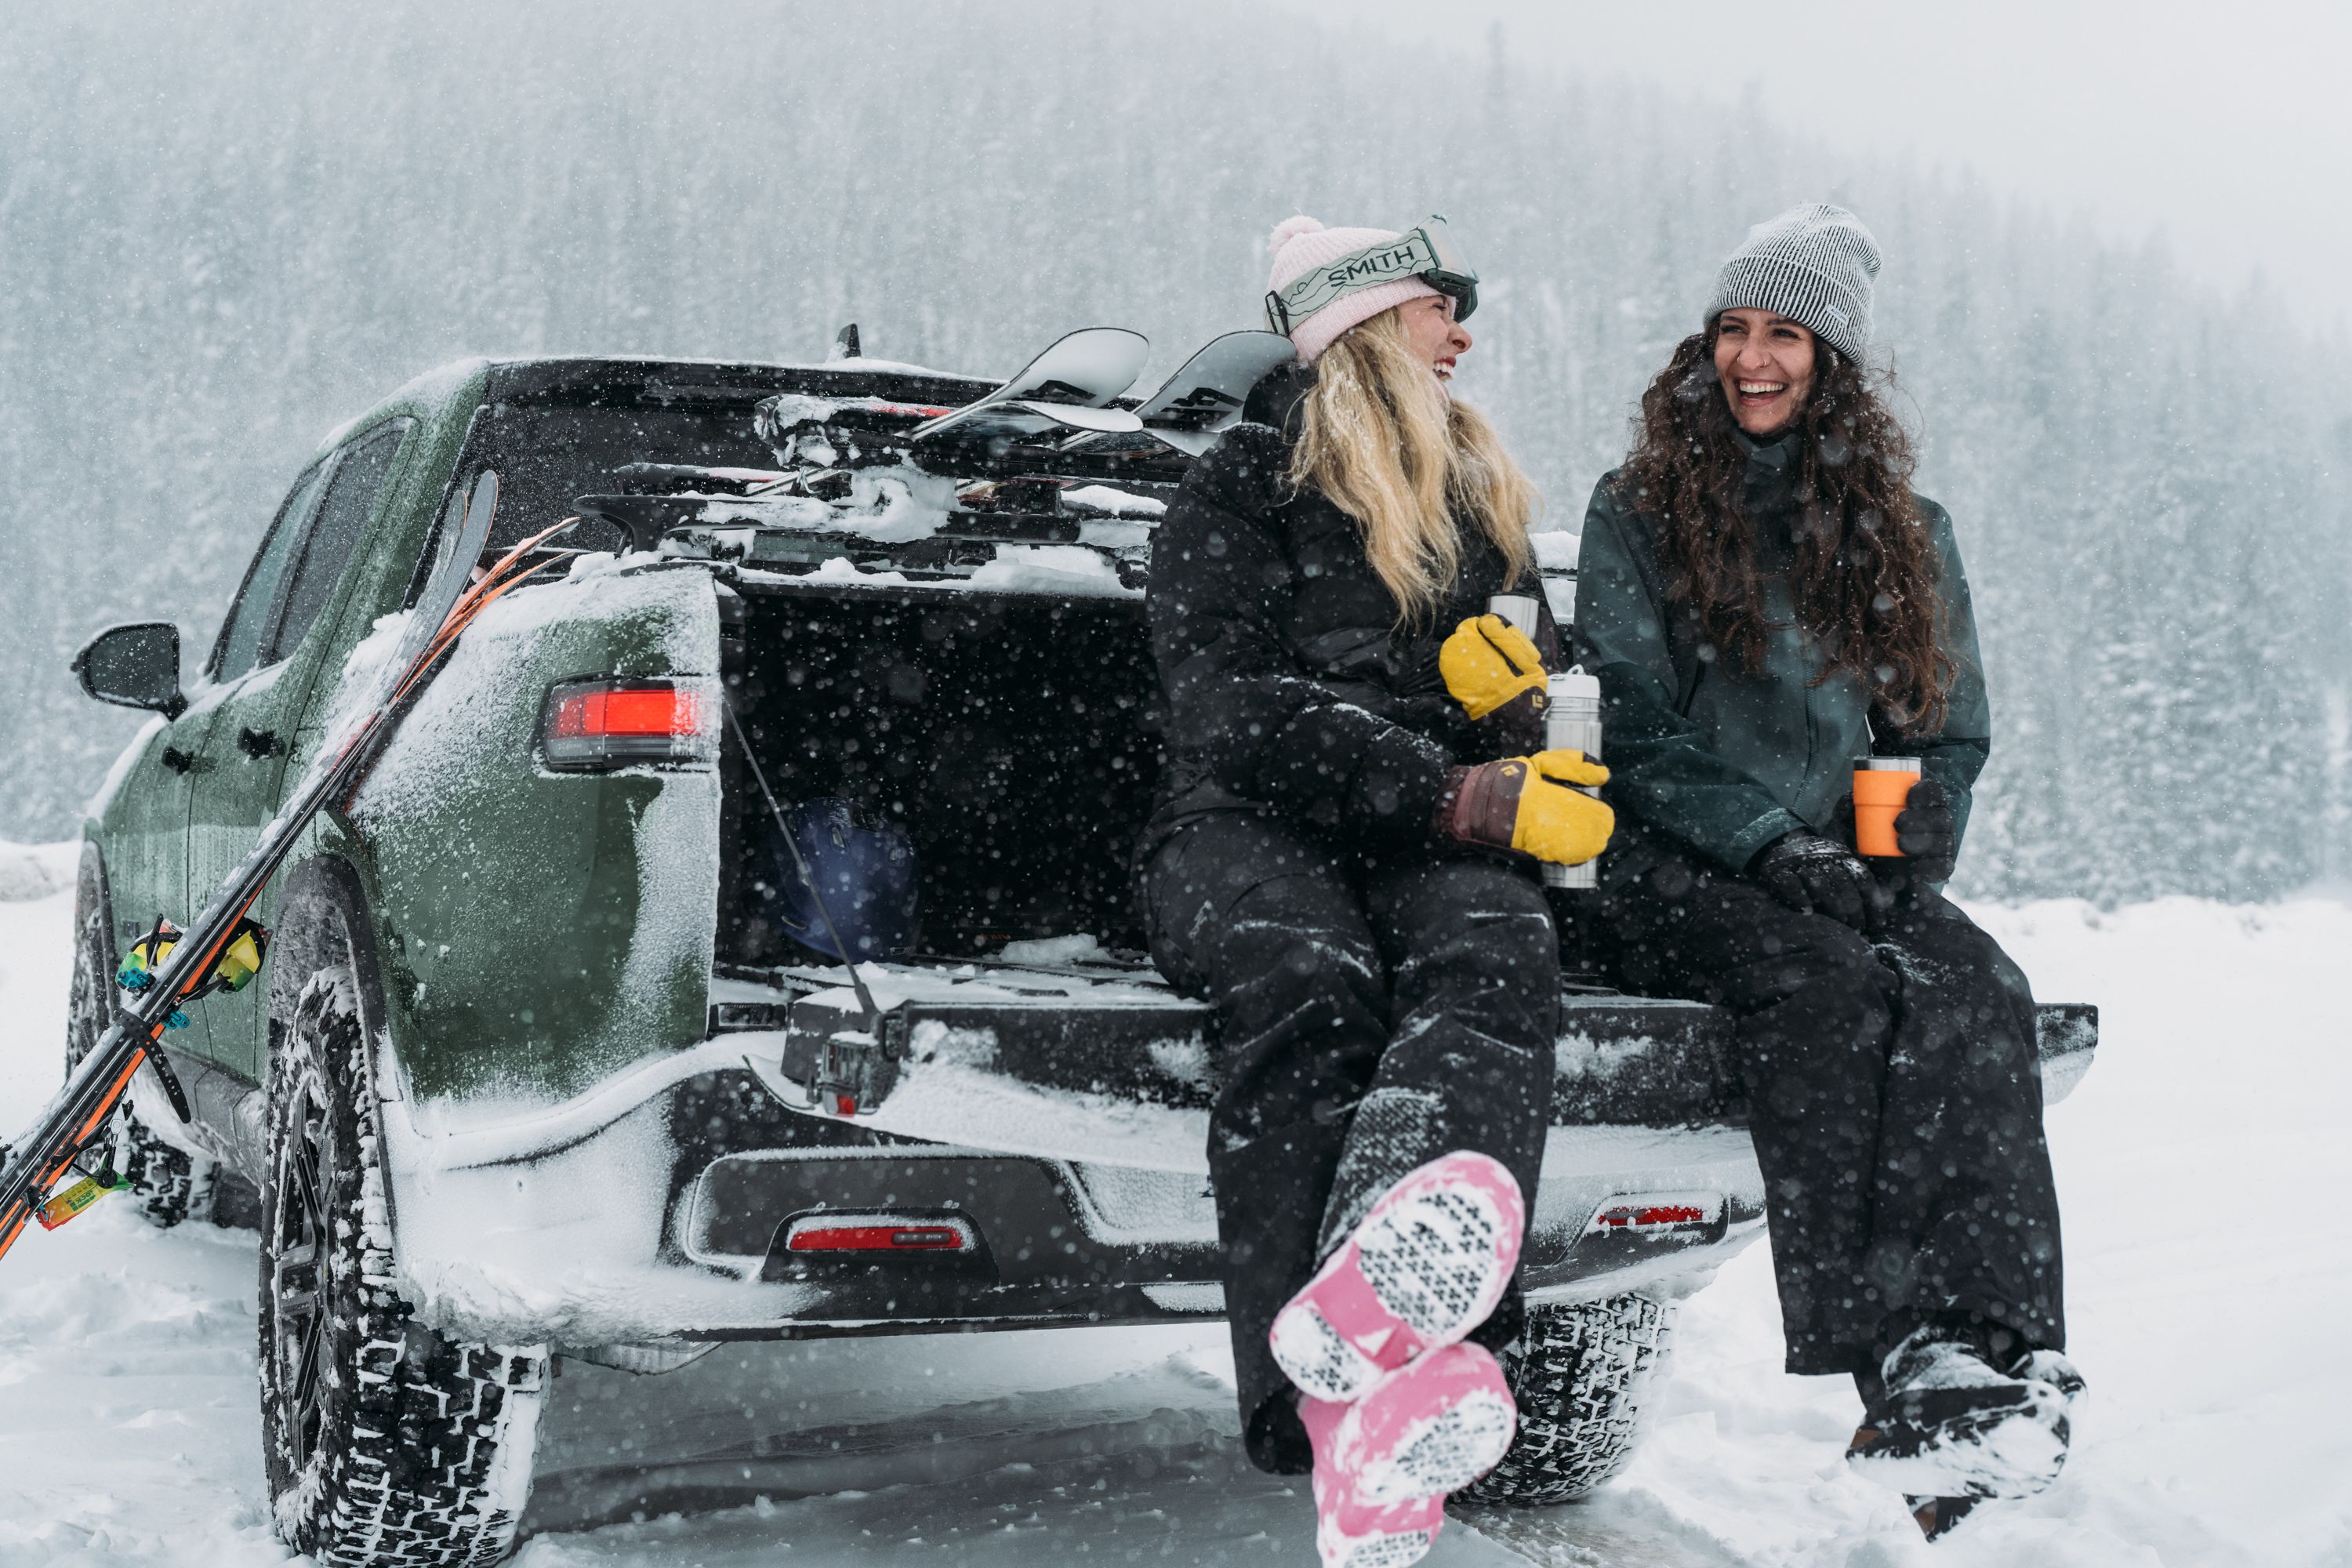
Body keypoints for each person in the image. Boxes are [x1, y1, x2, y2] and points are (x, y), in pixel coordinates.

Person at [1574, 204, 2083, 1536]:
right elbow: (1630, 723)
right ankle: (1899, 1365)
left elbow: (1941, 730)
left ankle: (1993, 1355)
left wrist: (1898, 841)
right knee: (1833, 993)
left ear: (1833, 360)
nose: (1753, 358)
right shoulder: (1639, 510)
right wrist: (1770, 843)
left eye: (1785, 335)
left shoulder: (1907, 527)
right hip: (1674, 861)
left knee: (1978, 991)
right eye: (1734, 329)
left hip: (1843, 864)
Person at [1142, 214, 1613, 1568]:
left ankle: (1375, 1330)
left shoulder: (1475, 502)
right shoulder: (1239, 484)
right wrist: (1453, 787)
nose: (1461, 333)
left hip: (1415, 833)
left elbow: (1547, 696)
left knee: (1502, 946)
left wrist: (1518, 709)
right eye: (1435, 307)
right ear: (1357, 326)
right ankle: (1337, 1419)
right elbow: (1226, 711)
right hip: (1238, 826)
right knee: (1308, 978)